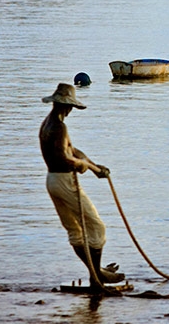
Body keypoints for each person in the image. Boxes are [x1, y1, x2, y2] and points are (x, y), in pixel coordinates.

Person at [38, 83, 124, 292]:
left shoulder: (48, 123)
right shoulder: (59, 127)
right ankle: (97, 278)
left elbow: (72, 150)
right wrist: (84, 166)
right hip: (65, 181)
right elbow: (65, 158)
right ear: (65, 106)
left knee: (75, 230)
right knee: (96, 227)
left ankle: (96, 273)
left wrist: (94, 167)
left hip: (53, 180)